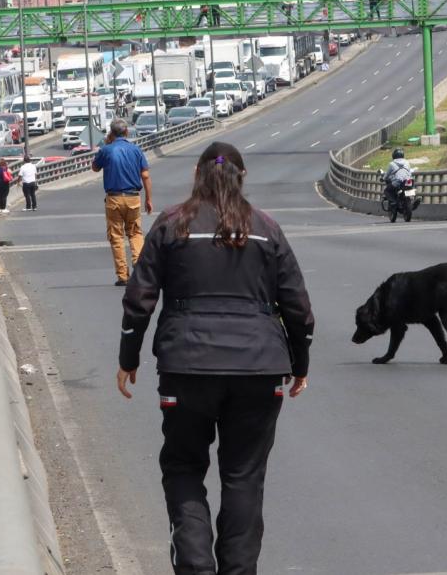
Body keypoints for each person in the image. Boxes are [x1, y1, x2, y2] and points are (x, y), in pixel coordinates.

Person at [116, 142, 314, 575]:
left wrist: (128, 358)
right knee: (243, 477)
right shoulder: (266, 228)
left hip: (186, 369)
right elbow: (298, 307)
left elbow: (139, 300)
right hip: (260, 370)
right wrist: (300, 365)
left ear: (196, 174)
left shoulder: (172, 225)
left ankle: (195, 566)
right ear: (242, 177)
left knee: (184, 466)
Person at [91, 120, 153, 286]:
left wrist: (106, 144)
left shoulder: (106, 150)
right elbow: (145, 176)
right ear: (127, 133)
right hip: (133, 197)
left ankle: (123, 276)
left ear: (111, 133)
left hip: (114, 198)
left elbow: (95, 168)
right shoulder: (136, 150)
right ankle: (139, 270)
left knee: (116, 237)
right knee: (135, 233)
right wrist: (148, 199)